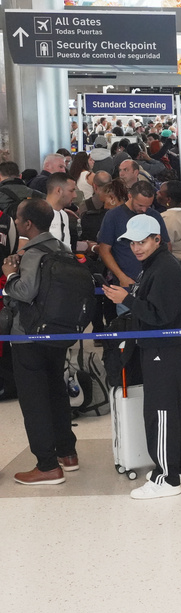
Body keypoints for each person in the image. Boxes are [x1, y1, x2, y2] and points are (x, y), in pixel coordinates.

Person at [101, 214, 181, 499]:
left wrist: (126, 300)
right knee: (171, 408)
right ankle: (179, 465)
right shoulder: (155, 266)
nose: (137, 247)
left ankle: (166, 477)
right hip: (162, 348)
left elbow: (159, 315)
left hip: (162, 349)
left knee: (161, 411)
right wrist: (129, 294)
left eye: (142, 241)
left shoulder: (164, 268)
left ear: (157, 239)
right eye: (132, 243)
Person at [2, 198, 78, 485]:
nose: (17, 222)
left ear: (28, 224)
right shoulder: (62, 248)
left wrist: (9, 275)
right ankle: (67, 453)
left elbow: (25, 291)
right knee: (56, 391)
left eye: (19, 219)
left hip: (28, 336)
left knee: (34, 401)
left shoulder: (32, 253)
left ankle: (47, 465)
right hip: (56, 334)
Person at [97, 181, 170, 289]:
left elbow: (166, 246)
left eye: (148, 206)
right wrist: (122, 277)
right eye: (140, 205)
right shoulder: (113, 216)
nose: (144, 210)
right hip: (126, 283)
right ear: (129, 196)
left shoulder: (155, 215)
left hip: (152, 282)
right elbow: (104, 250)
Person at [44, 173, 78, 251]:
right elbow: (23, 245)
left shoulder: (64, 215)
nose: (75, 195)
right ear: (59, 190)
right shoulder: (35, 213)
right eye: (71, 191)